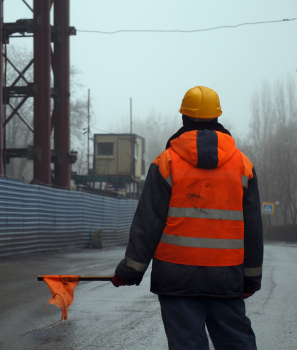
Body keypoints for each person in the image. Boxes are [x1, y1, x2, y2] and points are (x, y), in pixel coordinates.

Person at [112, 86, 263, 350]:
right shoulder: (243, 166)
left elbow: (148, 223)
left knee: (186, 345)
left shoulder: (166, 163)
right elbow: (252, 228)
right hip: (226, 276)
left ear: (184, 117)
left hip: (176, 277)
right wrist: (250, 278)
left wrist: (130, 271)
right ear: (218, 118)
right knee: (236, 343)